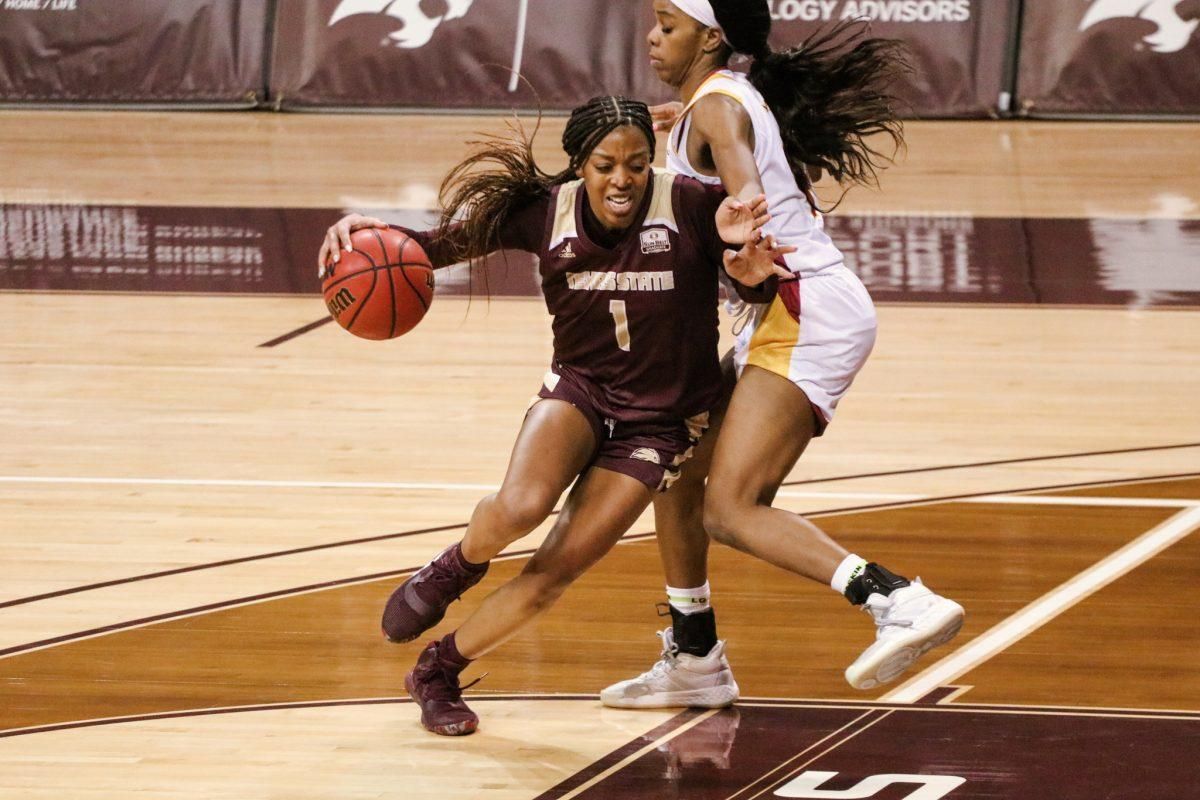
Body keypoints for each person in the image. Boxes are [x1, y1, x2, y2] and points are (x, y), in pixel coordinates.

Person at [317, 96, 793, 735]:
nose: (622, 180)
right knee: (520, 506)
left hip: (662, 425)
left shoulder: (691, 205)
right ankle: (457, 565)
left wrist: (753, 276)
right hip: (581, 391)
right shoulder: (546, 212)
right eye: (605, 165)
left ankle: (437, 671)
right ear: (578, 166)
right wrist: (363, 233)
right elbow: (429, 249)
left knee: (552, 574)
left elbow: (754, 281)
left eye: (636, 164)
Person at [599, 1, 965, 707]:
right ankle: (695, 656)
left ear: (711, 36)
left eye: (668, 25)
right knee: (677, 471)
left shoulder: (717, 108)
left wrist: (745, 223)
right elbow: (733, 148)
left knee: (731, 508)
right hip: (786, 310)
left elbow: (746, 186)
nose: (652, 36)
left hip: (802, 308)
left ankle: (896, 599)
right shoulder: (718, 100)